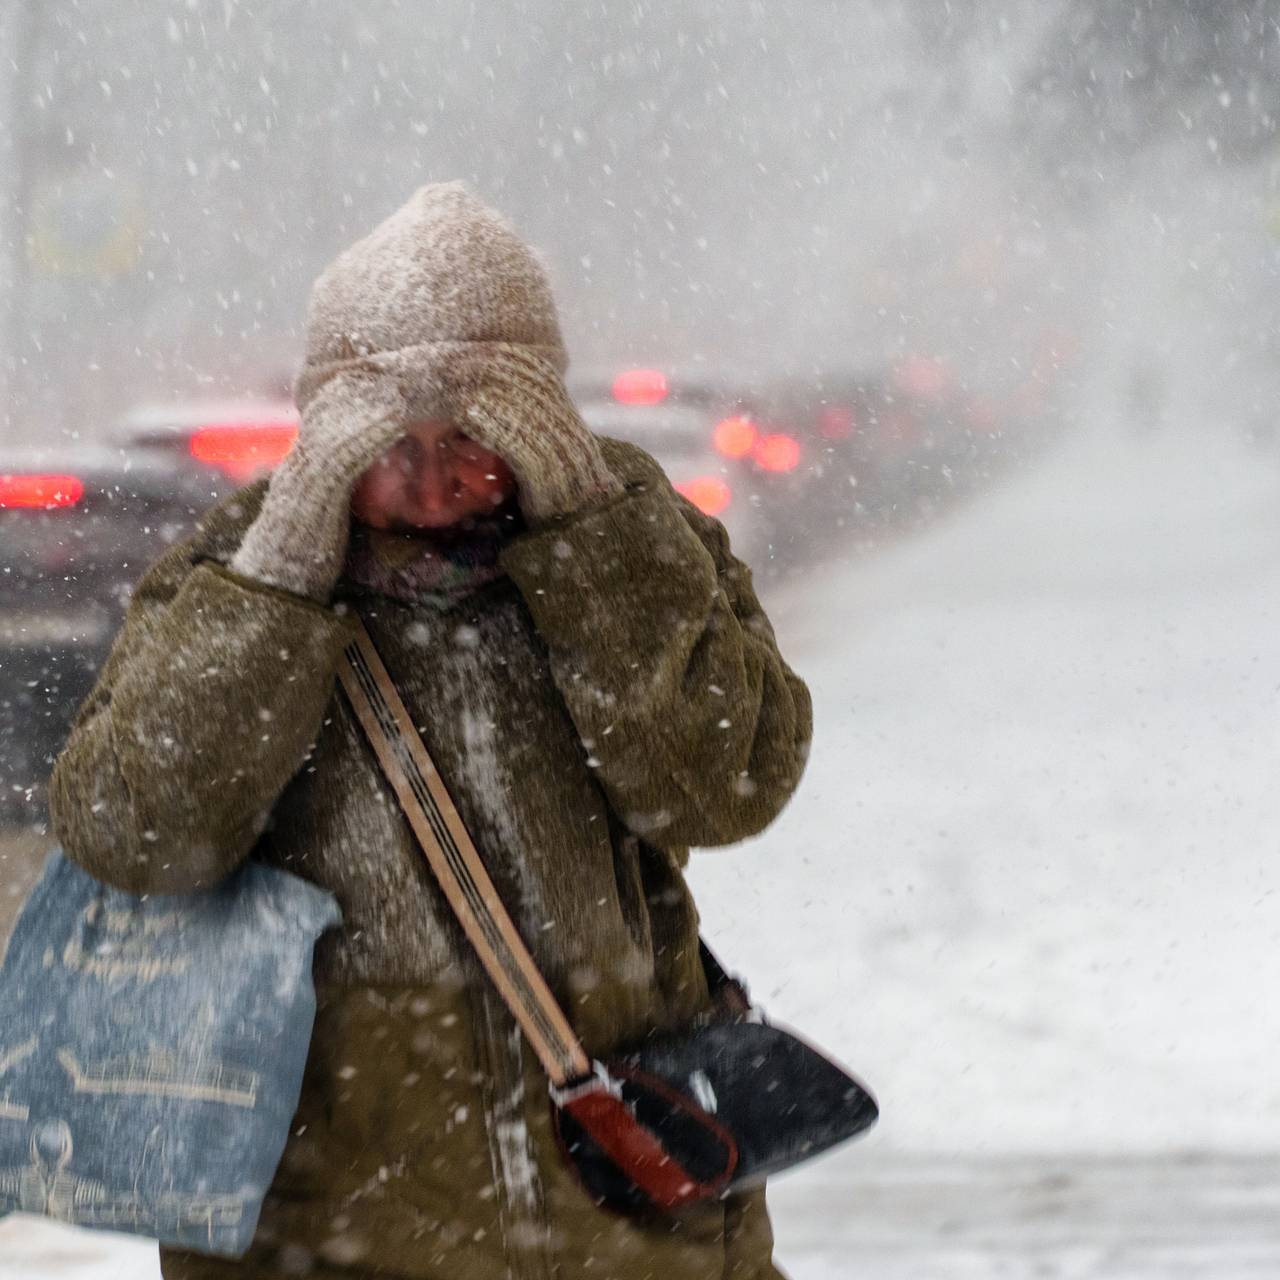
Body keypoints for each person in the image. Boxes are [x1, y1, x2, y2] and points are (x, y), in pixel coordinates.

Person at [49, 182, 813, 1280]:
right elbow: (139, 834)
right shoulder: (236, 572)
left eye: (471, 434)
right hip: (331, 1221)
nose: (432, 481)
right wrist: (279, 585)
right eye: (385, 443)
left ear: (535, 418)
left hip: (627, 1210)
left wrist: (591, 540)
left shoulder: (633, 543)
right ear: (325, 434)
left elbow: (724, 785)